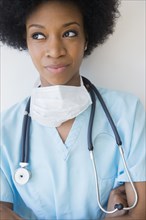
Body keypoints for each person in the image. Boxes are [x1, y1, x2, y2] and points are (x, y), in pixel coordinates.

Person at [0, 0, 145, 219]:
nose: (55, 50)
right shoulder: (5, 130)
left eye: (69, 33)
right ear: (25, 41)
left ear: (87, 37)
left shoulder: (127, 112)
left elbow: (139, 213)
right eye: (38, 35)